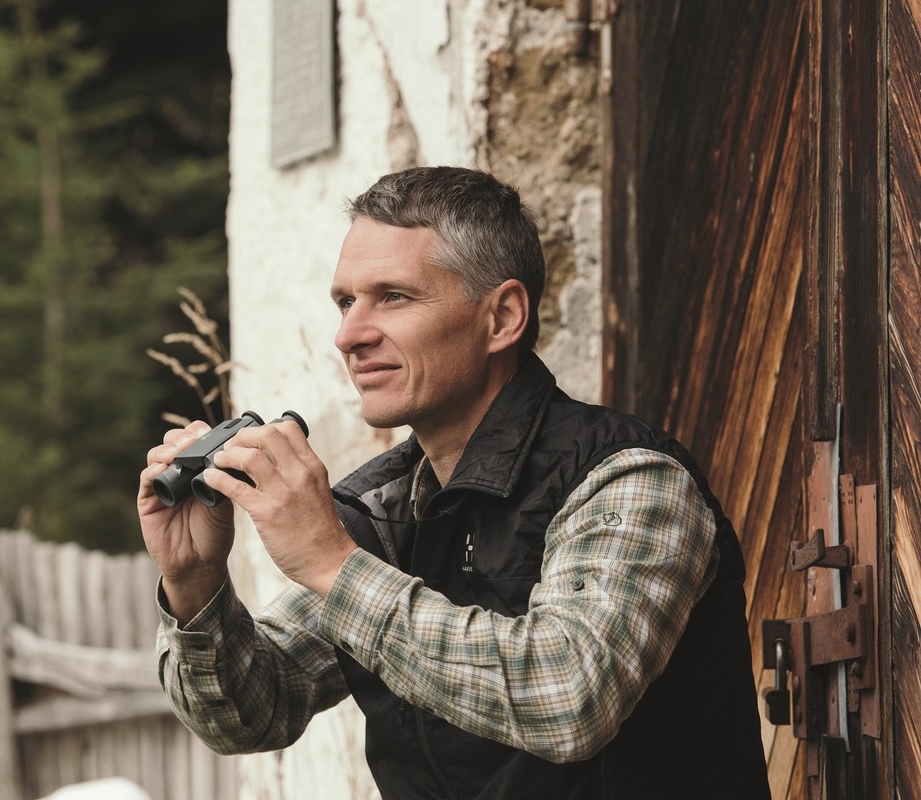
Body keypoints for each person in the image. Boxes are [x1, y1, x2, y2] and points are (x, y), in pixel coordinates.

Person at [138, 167, 771, 800]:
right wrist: (195, 583)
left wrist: (332, 564)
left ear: (502, 318)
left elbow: (569, 695)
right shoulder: (384, 512)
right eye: (344, 301)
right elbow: (254, 711)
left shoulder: (628, 479)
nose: (349, 335)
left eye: (393, 296)